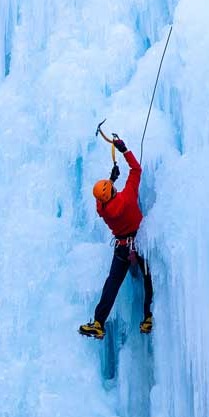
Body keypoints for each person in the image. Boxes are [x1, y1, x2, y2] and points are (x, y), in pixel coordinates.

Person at [78, 129, 154, 339]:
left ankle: (98, 323)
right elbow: (136, 169)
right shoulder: (127, 198)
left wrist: (111, 180)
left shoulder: (102, 210)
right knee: (148, 278)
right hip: (139, 240)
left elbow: (103, 199)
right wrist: (124, 149)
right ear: (112, 192)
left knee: (112, 284)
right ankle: (147, 317)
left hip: (122, 247)